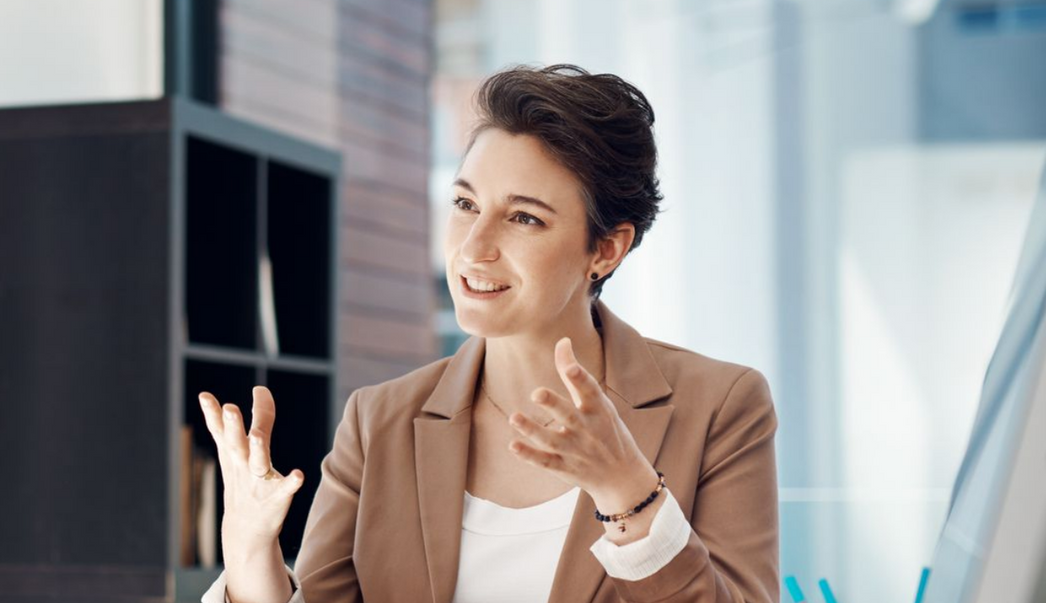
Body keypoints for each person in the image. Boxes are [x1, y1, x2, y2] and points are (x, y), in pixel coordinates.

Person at [198, 65, 780, 602]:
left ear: (606, 249)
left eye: (524, 217)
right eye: (464, 203)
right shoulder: (379, 422)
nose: (473, 248)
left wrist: (629, 493)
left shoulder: (720, 407)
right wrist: (249, 550)